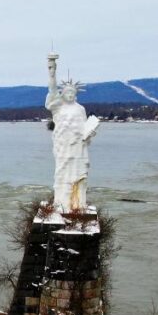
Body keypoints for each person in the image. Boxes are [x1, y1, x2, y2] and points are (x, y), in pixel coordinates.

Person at [44, 54, 99, 213]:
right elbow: (52, 89)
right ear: (63, 93)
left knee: (79, 174)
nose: (69, 94)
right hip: (63, 146)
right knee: (62, 174)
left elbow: (84, 128)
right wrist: (52, 72)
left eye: (72, 93)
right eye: (66, 92)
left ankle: (77, 204)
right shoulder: (58, 106)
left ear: (75, 94)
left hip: (78, 147)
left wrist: (90, 132)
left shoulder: (80, 109)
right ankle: (61, 203)